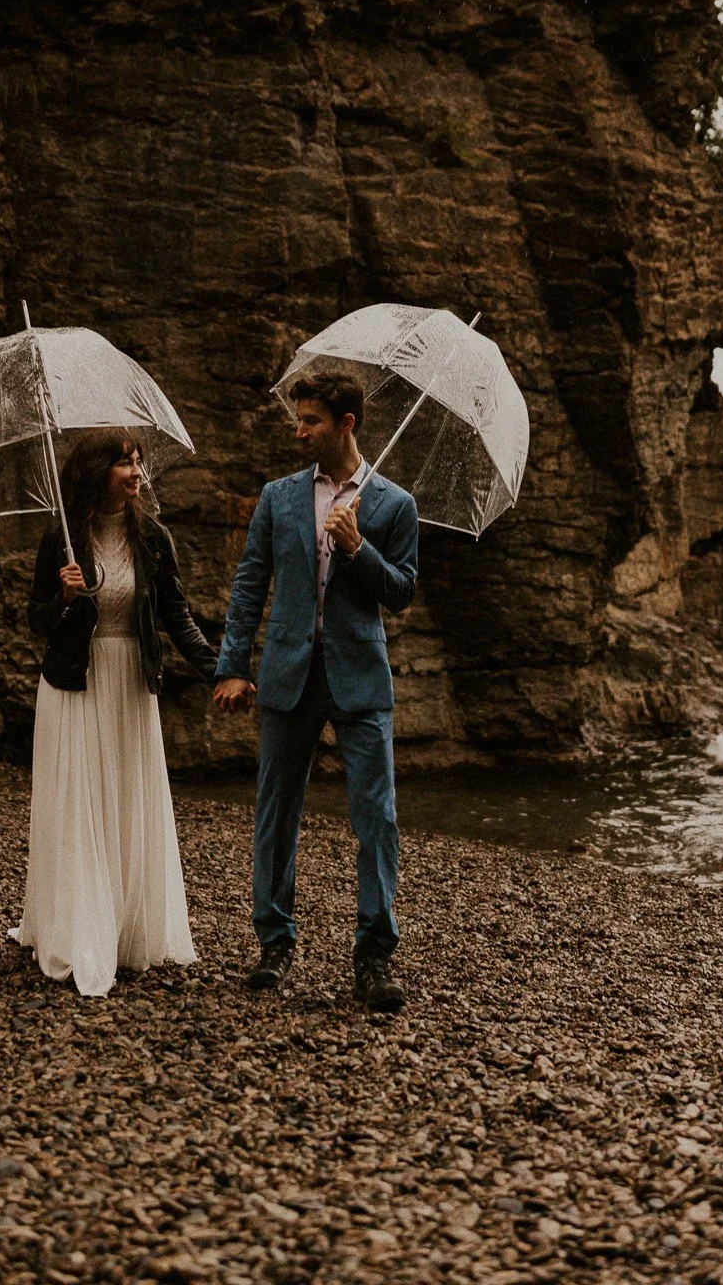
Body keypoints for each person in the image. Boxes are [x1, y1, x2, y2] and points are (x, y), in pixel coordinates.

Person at [213, 373, 419, 1012]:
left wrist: (358, 549)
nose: (299, 431)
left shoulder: (393, 504)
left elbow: (403, 591)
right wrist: (231, 666)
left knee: (376, 817)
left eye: (311, 421)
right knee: (277, 812)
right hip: (287, 675)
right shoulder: (278, 498)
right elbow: (250, 585)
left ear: (347, 423)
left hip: (361, 679)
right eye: (298, 420)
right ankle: (274, 943)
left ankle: (373, 958)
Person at [11, 431, 216, 995]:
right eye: (124, 463)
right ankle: (78, 930)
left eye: (137, 463)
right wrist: (65, 600)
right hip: (75, 684)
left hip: (131, 685)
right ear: (96, 471)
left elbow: (177, 614)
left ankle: (127, 933)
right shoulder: (63, 538)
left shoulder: (153, 538)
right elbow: (36, 620)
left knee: (126, 800)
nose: (135, 473)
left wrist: (219, 669)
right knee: (82, 803)